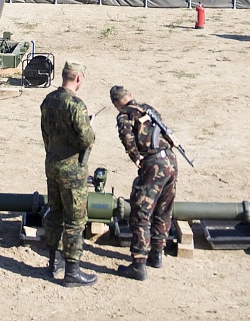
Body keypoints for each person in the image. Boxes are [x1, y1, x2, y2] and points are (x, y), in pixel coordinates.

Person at [109, 85, 178, 281]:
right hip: (171, 161)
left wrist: (136, 157)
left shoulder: (124, 116)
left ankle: (139, 263)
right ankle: (157, 253)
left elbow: (127, 137)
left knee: (141, 212)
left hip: (153, 164)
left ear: (116, 104)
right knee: (164, 209)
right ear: (130, 95)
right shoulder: (148, 109)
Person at [40, 61, 98, 287]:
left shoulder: (48, 100)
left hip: (52, 162)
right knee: (75, 220)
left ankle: (54, 263)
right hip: (72, 169)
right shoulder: (76, 105)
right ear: (78, 78)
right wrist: (89, 127)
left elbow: (45, 133)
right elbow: (86, 139)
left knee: (55, 213)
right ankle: (72, 272)